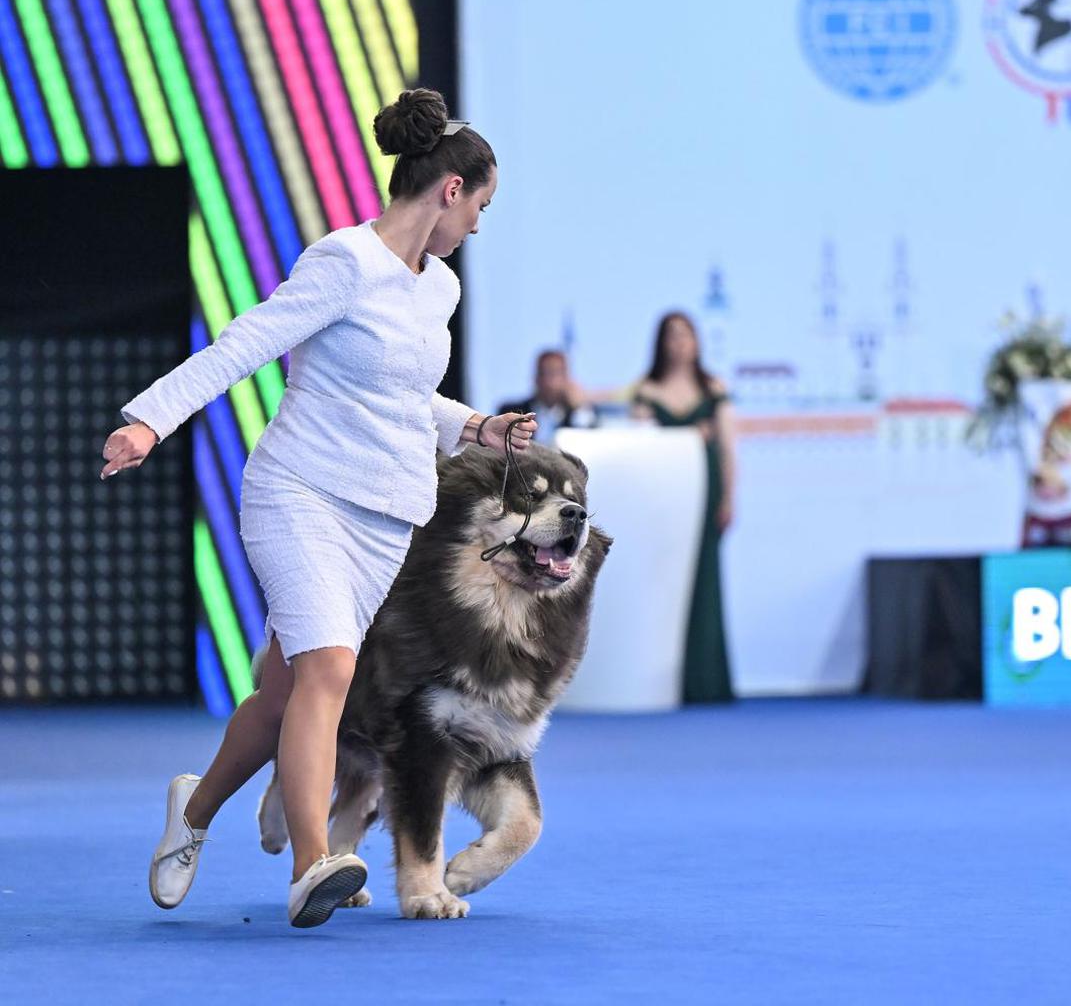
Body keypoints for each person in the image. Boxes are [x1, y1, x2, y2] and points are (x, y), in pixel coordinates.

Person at [100, 89, 537, 928]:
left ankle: (191, 815)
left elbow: (409, 397)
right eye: (481, 206)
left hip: (383, 519)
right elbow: (247, 343)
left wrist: (477, 425)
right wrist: (151, 417)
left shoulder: (436, 289)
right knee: (331, 671)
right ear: (451, 190)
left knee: (282, 696)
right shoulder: (342, 261)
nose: (478, 225)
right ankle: (313, 864)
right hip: (300, 493)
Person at [631, 312, 736, 703]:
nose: (679, 343)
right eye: (671, 336)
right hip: (664, 499)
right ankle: (660, 679)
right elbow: (640, 444)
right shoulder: (647, 390)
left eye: (686, 335)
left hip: (703, 492)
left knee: (705, 581)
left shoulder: (712, 389)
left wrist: (728, 496)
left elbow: (728, 450)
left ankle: (706, 682)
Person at [496, 348, 596, 445]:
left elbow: (588, 445)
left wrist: (580, 408)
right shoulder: (512, 412)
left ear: (566, 378)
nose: (549, 381)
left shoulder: (577, 414)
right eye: (544, 373)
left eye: (555, 374)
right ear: (535, 378)